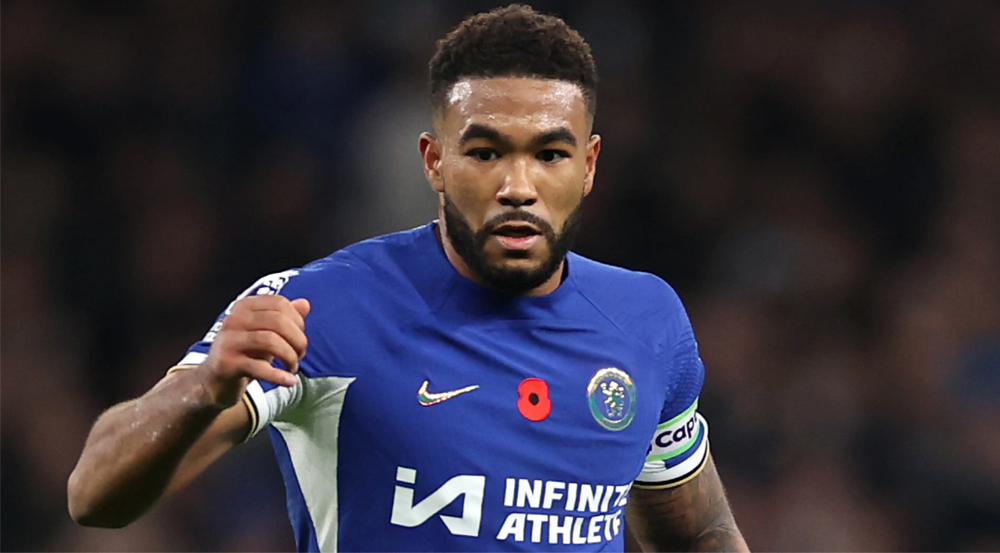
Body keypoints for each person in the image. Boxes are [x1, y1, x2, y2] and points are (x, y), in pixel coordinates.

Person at [68, 4, 749, 552]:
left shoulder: (646, 320)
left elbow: (698, 534)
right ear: (434, 161)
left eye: (549, 154)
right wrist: (201, 391)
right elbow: (95, 495)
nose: (518, 186)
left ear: (589, 164)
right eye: (485, 152)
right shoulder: (317, 310)